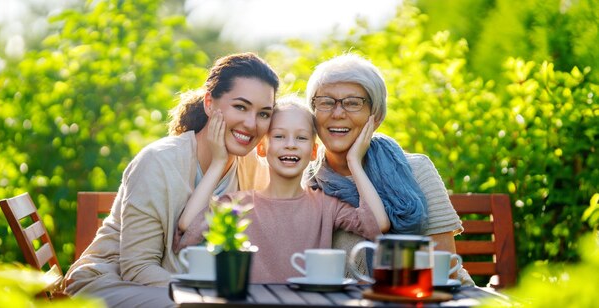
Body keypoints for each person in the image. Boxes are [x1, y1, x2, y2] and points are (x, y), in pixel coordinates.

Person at [63, 52, 280, 307]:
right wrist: (206, 297)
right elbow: (138, 268)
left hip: (190, 290)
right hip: (113, 281)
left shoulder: (252, 167)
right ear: (210, 103)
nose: (251, 123)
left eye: (264, 114)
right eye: (240, 107)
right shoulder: (157, 162)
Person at [176, 96, 390, 283]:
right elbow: (188, 226)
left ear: (314, 151)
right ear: (262, 148)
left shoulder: (327, 206)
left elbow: (377, 224)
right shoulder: (236, 206)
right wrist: (218, 162)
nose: (291, 145)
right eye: (279, 136)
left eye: (302, 137)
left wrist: (354, 160)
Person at [305, 53, 475, 285]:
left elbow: (445, 271)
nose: (338, 113)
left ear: (376, 116)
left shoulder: (417, 170)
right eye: (326, 101)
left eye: (353, 102)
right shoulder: (308, 181)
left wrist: (355, 162)